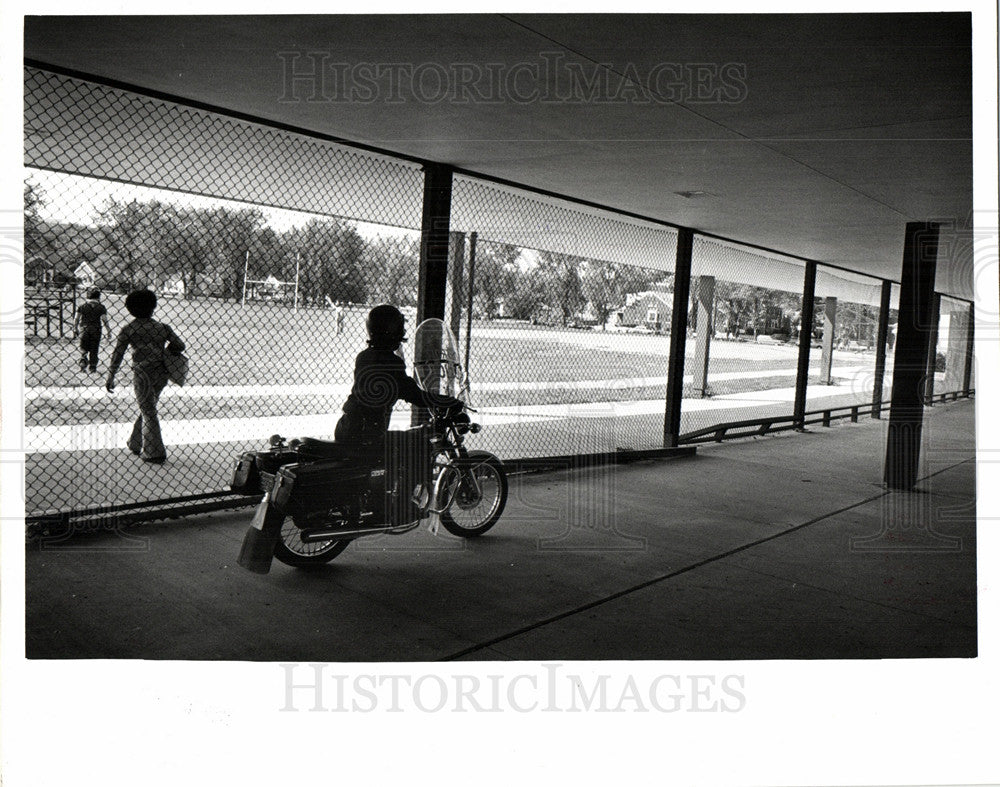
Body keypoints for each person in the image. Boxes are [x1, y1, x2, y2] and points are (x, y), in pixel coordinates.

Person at [334, 304, 463, 448]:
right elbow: (415, 395)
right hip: (368, 436)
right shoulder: (390, 362)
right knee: (421, 443)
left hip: (346, 428)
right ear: (391, 330)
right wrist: (449, 402)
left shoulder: (364, 356)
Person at [105, 289, 185, 464]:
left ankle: (154, 452)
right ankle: (135, 442)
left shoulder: (129, 329)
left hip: (142, 374)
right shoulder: (163, 328)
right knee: (149, 407)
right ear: (154, 306)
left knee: (148, 410)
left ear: (129, 309)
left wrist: (111, 375)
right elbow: (179, 345)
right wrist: (166, 351)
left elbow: (118, 353)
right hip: (161, 373)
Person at [73, 288, 111, 372]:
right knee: (94, 349)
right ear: (98, 297)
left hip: (84, 328)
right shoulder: (101, 307)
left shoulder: (82, 306)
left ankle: (83, 365)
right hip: (96, 329)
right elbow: (105, 320)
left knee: (83, 348)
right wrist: (108, 331)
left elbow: (76, 318)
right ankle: (92, 367)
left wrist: (75, 328)